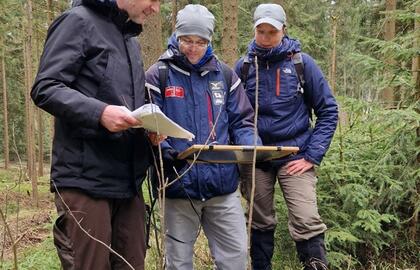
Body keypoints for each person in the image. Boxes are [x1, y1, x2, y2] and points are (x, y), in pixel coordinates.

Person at [31, 0, 159, 269]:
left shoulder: (130, 39)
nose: (156, 8)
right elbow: (46, 87)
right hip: (84, 180)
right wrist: (99, 112)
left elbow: (126, 100)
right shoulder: (78, 21)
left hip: (128, 185)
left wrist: (151, 128)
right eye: (154, 0)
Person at [145, 4, 260, 270]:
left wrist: (251, 144)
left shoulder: (225, 74)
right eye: (187, 40)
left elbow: (242, 120)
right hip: (178, 186)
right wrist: (167, 152)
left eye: (200, 41)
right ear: (177, 36)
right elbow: (149, 125)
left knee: (236, 258)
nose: (193, 47)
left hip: (223, 187)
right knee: (178, 263)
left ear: (209, 41)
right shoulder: (158, 74)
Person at [235, 3, 338, 270]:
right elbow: (232, 114)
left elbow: (328, 111)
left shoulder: (302, 63)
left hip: (296, 154)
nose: (266, 38)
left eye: (272, 32)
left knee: (306, 218)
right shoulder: (244, 67)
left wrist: (312, 156)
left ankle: (315, 265)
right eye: (261, 32)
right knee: (259, 220)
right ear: (254, 30)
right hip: (256, 157)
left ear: (284, 31)